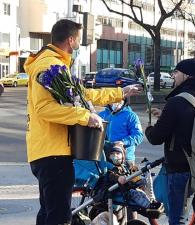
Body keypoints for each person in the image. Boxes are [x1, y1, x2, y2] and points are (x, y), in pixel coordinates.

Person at [24, 19, 141, 225]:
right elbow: (44, 109)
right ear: (71, 40)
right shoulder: (49, 64)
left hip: (50, 151)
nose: (79, 43)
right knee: (59, 216)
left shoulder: (56, 63)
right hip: (53, 152)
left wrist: (119, 93)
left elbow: (82, 94)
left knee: (49, 213)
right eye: (78, 39)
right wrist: (86, 117)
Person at [145, 58, 195, 225]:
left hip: (180, 169)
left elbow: (156, 138)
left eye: (176, 72)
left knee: (178, 219)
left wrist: (149, 128)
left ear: (186, 75)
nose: (173, 76)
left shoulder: (176, 102)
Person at [105, 142, 161, 210]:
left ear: (123, 156)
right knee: (136, 193)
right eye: (112, 154)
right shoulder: (111, 168)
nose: (115, 156)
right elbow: (111, 175)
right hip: (123, 190)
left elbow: (132, 170)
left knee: (146, 184)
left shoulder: (124, 166)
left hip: (131, 185)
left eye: (117, 153)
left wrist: (137, 171)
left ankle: (152, 200)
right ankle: (148, 205)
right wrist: (118, 178)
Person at [98, 98, 143, 166]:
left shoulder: (131, 116)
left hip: (124, 158)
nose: (116, 103)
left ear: (124, 101)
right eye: (113, 100)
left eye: (119, 100)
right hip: (106, 158)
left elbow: (138, 136)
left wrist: (123, 142)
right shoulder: (101, 115)